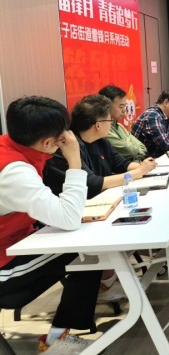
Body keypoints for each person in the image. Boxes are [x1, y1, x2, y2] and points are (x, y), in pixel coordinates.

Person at [0, 96, 102, 353]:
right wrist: (75, 160)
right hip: (3, 265)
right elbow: (68, 219)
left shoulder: (10, 147)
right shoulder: (14, 171)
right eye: (62, 137)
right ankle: (57, 340)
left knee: (85, 247)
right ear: (48, 142)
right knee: (88, 251)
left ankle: (62, 333)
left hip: (15, 243)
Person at [44, 95, 158, 199]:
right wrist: (138, 172)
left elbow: (122, 164)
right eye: (110, 120)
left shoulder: (102, 142)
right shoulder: (68, 146)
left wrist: (146, 167)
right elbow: (91, 183)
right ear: (98, 125)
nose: (111, 124)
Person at [98, 85, 148, 162]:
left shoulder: (119, 126)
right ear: (107, 107)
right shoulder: (103, 130)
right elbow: (130, 151)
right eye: (121, 107)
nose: (124, 110)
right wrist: (130, 141)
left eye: (125, 106)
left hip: (138, 165)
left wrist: (130, 145)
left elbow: (143, 148)